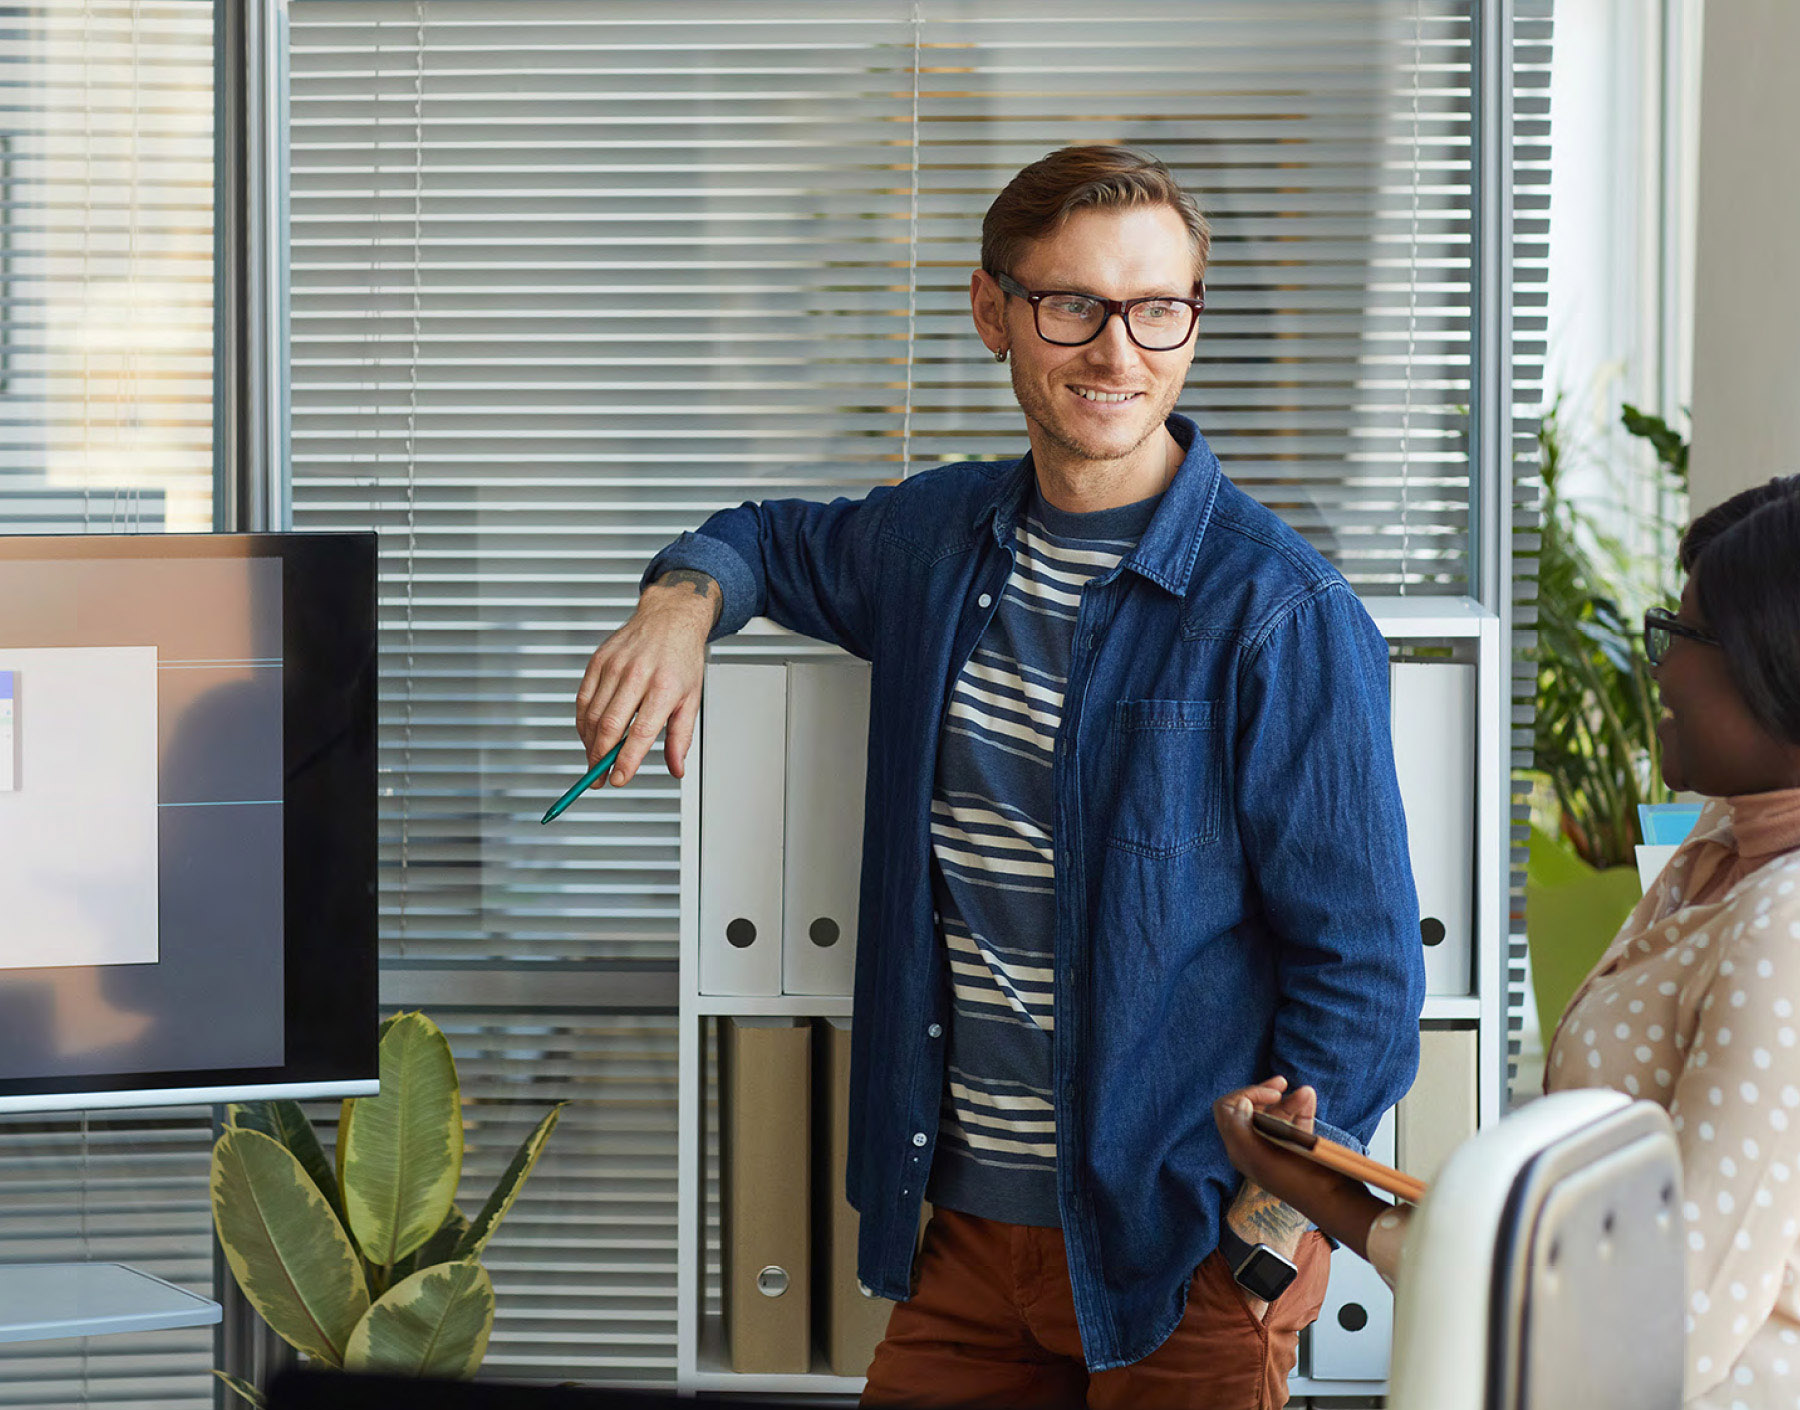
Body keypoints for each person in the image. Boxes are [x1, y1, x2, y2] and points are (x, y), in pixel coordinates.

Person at [576, 145, 1425, 1407]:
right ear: (994, 311)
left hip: (1178, 1251)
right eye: (1074, 305)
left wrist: (1259, 1239)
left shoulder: (1279, 613)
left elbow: (1364, 973)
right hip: (961, 1244)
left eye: (1159, 309)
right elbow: (762, 539)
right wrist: (679, 605)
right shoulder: (933, 543)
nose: (1119, 353)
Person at [1215, 472, 1800, 1410]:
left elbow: (1660, 1327)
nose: (1658, 671)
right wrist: (1329, 1186)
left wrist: (1345, 1208)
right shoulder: (1734, 844)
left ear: (1791, 672)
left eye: (1681, 636)